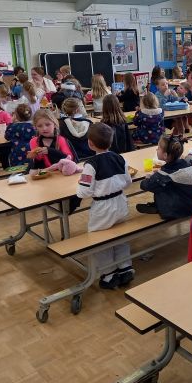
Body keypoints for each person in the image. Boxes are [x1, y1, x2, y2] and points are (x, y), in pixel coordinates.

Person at [76, 123, 134, 289]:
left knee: (100, 239)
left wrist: (80, 184)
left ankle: (109, 274)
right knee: (120, 235)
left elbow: (84, 192)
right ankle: (125, 267)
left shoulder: (90, 165)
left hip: (102, 207)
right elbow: (128, 182)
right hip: (120, 202)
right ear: (111, 141)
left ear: (90, 143)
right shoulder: (120, 158)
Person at [137, 135, 192, 220]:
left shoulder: (165, 173)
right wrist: (159, 175)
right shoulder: (186, 164)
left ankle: (160, 207)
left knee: (159, 186)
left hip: (178, 210)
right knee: (166, 183)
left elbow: (145, 185)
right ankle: (158, 206)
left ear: (165, 155)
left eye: (158, 148)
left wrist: (148, 177)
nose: (156, 149)